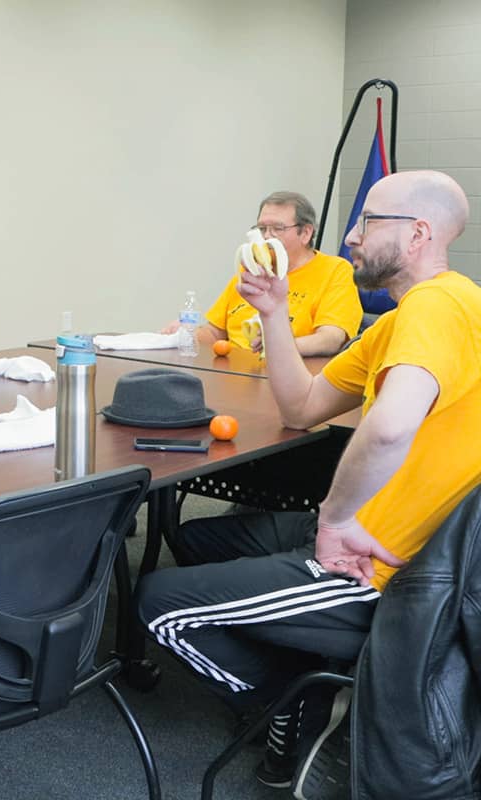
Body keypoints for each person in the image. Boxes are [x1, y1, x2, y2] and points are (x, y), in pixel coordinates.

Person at [138, 170, 481, 792]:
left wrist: (337, 520)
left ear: (419, 234)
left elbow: (387, 428)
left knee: (159, 604)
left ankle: (291, 705)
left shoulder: (441, 303)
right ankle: (303, 661)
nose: (350, 236)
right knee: (199, 541)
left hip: (383, 570)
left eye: (368, 221)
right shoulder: (397, 324)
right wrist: (270, 309)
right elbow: (302, 407)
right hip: (380, 531)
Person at [163, 191, 362, 356]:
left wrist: (276, 348)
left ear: (306, 233)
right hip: (233, 375)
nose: (267, 237)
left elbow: (330, 339)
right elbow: (215, 333)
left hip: (290, 373)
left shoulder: (335, 270)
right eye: (262, 229)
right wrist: (184, 334)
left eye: (278, 229)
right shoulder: (251, 269)